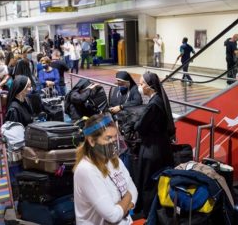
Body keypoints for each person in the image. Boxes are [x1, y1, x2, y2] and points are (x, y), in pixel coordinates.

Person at [74, 113, 138, 225]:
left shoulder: (114, 160)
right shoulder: (86, 170)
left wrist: (122, 206)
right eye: (108, 138)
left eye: (115, 137)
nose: (113, 142)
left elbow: (134, 190)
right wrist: (128, 197)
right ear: (92, 141)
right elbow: (112, 216)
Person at [133, 71, 175, 218]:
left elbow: (140, 126)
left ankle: (148, 214)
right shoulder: (159, 100)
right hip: (162, 148)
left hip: (152, 149)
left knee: (148, 183)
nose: (140, 86)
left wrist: (136, 123)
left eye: (142, 83)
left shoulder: (153, 105)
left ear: (150, 86)